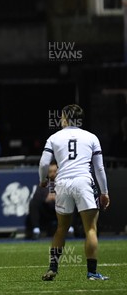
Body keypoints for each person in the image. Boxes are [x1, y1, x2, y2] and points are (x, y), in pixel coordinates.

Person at [39, 104, 111, 281]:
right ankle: (92, 273)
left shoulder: (54, 137)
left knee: (61, 228)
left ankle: (52, 269)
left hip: (62, 183)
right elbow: (99, 168)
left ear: (65, 118)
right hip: (83, 182)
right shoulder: (91, 137)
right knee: (91, 230)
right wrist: (104, 192)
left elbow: (43, 164)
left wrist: (43, 180)